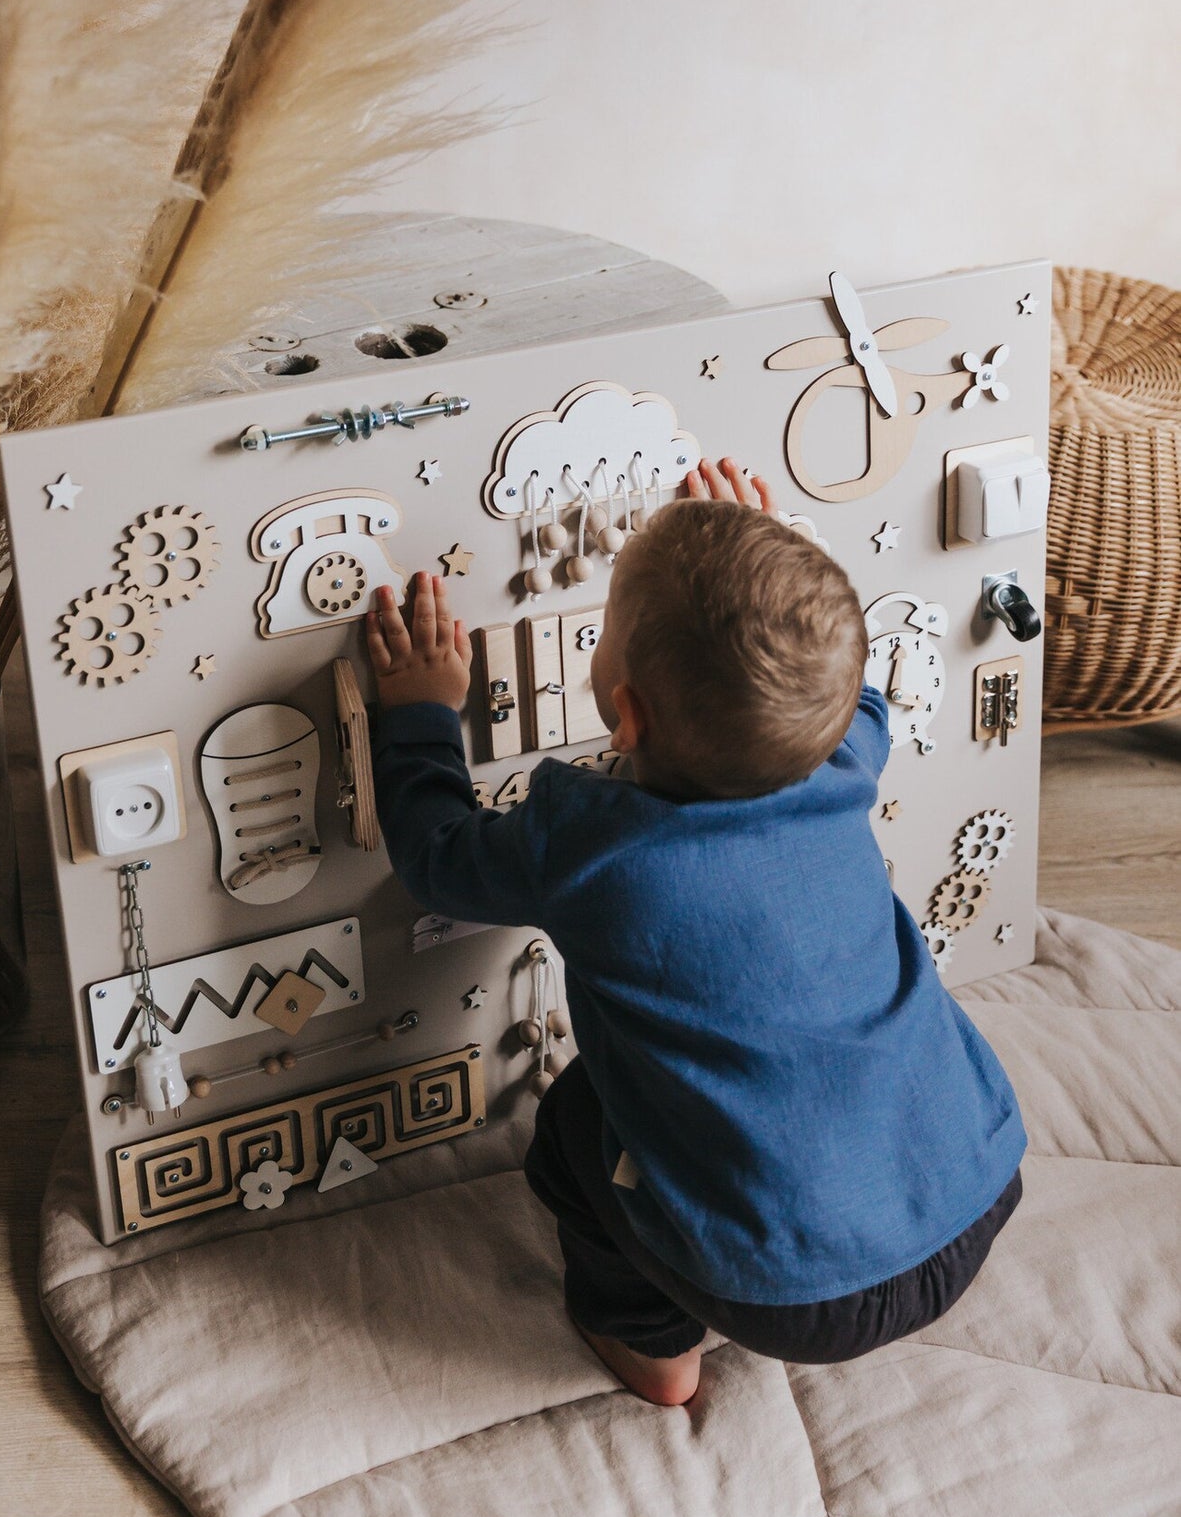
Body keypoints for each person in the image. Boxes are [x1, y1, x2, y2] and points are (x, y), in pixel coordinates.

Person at [365, 456, 1025, 1406]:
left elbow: (436, 854)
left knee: (574, 1124)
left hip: (791, 1303)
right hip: (973, 1191)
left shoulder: (583, 843)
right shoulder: (844, 755)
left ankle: (648, 1343)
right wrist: (776, 563)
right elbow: (860, 691)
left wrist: (422, 713)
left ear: (623, 713)